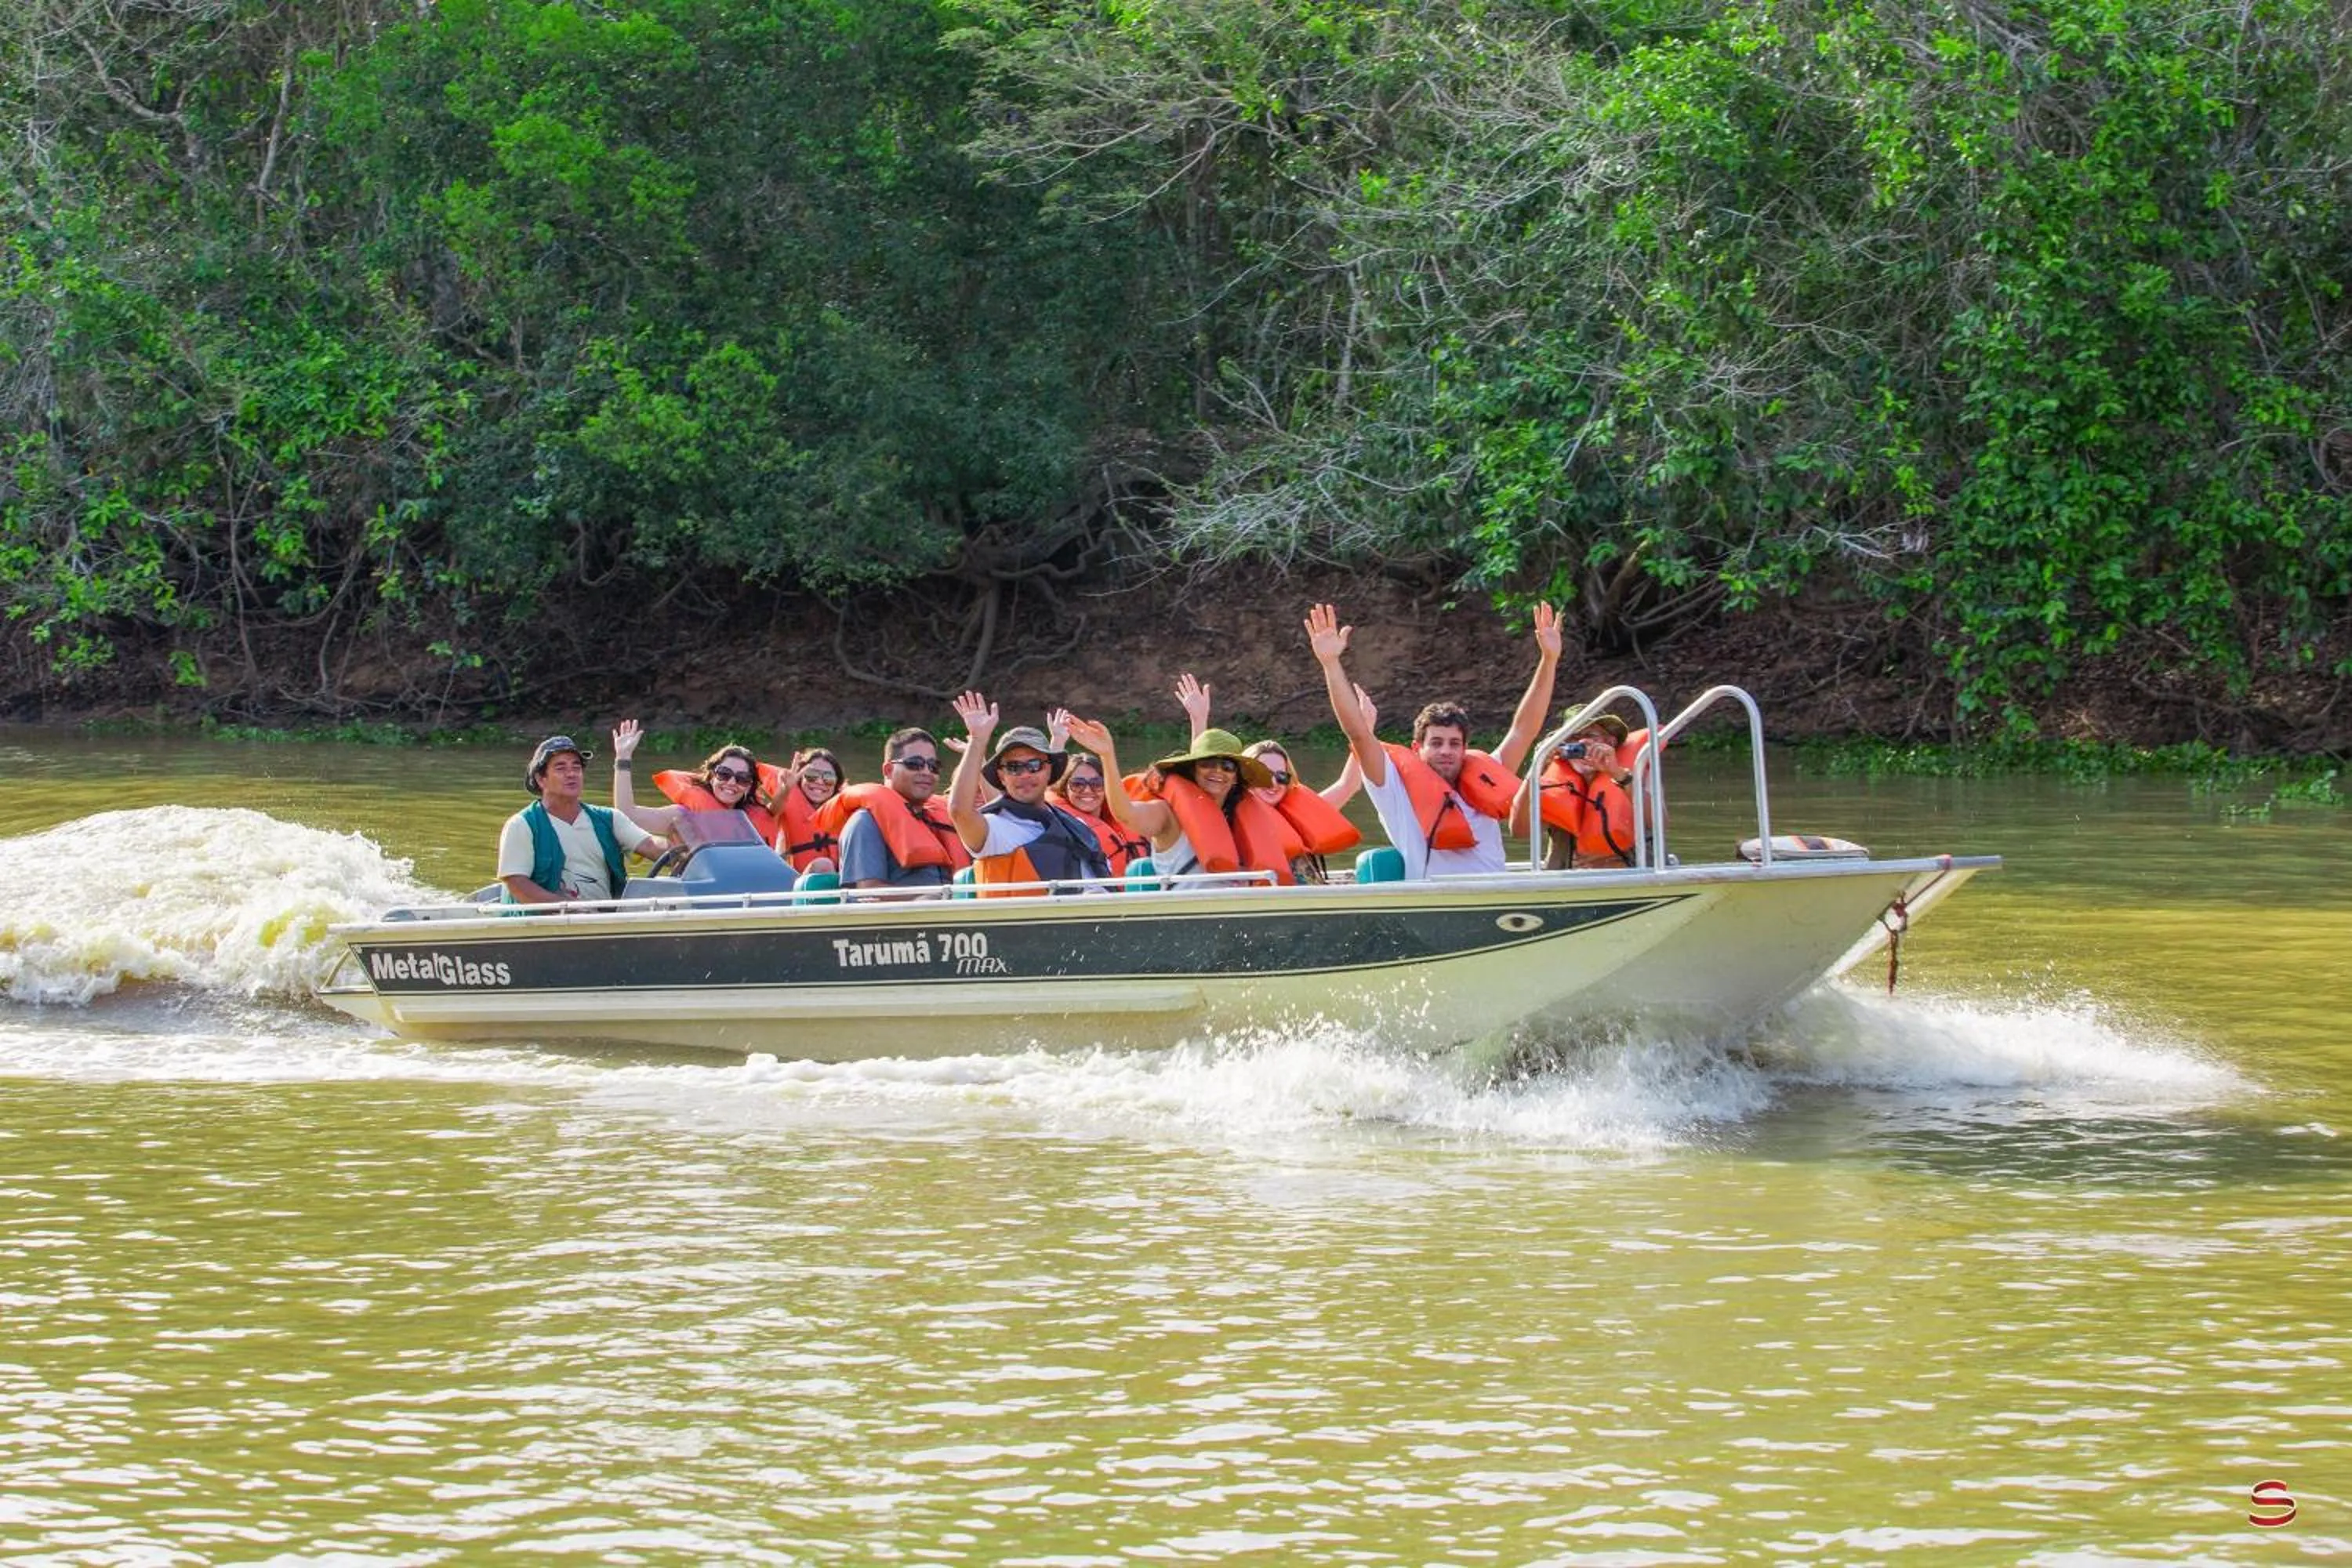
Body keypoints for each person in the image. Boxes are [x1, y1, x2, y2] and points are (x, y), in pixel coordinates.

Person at [1305, 600, 1563, 878]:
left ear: (1465, 748)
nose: (1446, 751)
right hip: (1436, 902)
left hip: (1495, 898)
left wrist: (1549, 660)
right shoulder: (1393, 788)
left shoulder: (1486, 775)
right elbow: (1358, 735)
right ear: (1417, 748)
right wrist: (1331, 664)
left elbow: (1523, 731)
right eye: (1436, 743)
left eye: (1454, 744)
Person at [1170, 671, 1362, 883]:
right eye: (1264, 774)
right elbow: (1200, 787)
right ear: (1245, 776)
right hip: (1262, 902)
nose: (1273, 783)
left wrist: (1363, 734)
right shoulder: (1228, 812)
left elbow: (1348, 785)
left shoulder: (1295, 816)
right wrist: (1199, 720)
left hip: (1305, 901)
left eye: (1281, 776)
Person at [1062, 717, 1297, 884]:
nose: (1217, 772)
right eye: (1206, 764)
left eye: (1226, 766)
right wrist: (1107, 756)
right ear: (1192, 770)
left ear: (1236, 777)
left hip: (1240, 922)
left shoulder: (1246, 815)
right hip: (1187, 922)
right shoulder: (1168, 814)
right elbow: (1126, 814)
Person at [946, 692, 1111, 896]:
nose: (1024, 775)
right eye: (1014, 767)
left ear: (1049, 770)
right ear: (1002, 776)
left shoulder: (1077, 826)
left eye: (1034, 765)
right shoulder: (994, 829)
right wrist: (978, 741)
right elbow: (959, 811)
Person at [495, 735, 666, 906]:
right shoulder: (522, 825)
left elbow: (651, 846)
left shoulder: (610, 819)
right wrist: (566, 908)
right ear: (541, 779)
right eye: (561, 768)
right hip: (544, 925)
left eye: (576, 767)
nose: (571, 774)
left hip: (602, 921)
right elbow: (516, 884)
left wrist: (683, 850)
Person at [821, 726, 969, 894]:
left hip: (952, 913)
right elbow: (867, 895)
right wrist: (930, 900)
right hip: (910, 917)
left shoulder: (940, 819)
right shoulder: (865, 823)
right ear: (888, 770)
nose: (927, 772)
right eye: (915, 764)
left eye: (933, 766)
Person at [1516, 712, 1657, 870]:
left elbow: (1659, 822)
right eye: (1574, 738)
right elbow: (1520, 831)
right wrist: (1536, 768)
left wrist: (1618, 775)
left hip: (1629, 874)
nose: (1583, 743)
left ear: (1610, 742)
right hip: (1567, 882)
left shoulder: (1634, 772)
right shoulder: (1552, 783)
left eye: (1591, 735)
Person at [607, 720, 784, 844]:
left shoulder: (756, 816)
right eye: (724, 774)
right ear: (711, 775)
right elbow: (627, 815)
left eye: (742, 778)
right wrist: (623, 758)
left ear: (749, 786)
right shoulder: (684, 815)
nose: (731, 782)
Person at [1043, 713, 1152, 877]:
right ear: (1064, 789)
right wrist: (1058, 741)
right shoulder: (1058, 823)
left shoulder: (1130, 817)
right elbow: (1045, 787)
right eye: (1078, 784)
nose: (1088, 791)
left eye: (1096, 784)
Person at [773, 746, 844, 874]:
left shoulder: (847, 809)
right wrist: (785, 791)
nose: (819, 782)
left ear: (837, 784)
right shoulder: (785, 801)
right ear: (800, 778)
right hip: (792, 886)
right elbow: (771, 812)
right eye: (811, 775)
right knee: (823, 865)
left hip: (839, 886)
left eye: (828, 778)